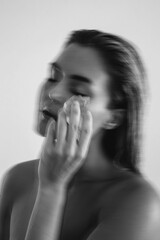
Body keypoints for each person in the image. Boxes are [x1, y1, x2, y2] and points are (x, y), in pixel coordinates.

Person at [0, 29, 160, 240]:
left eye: (79, 91)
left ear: (114, 118)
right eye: (53, 77)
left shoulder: (137, 202)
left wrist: (51, 189)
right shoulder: (17, 179)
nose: (53, 92)